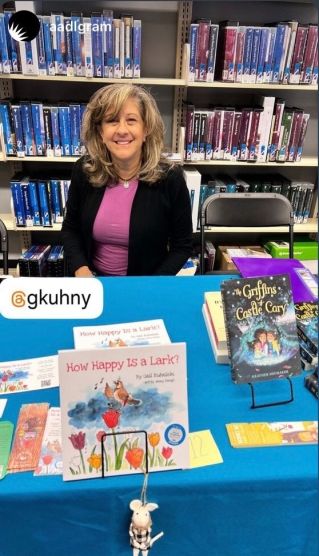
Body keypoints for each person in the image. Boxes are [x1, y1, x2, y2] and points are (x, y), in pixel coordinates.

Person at [61, 84, 193, 277]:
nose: (122, 130)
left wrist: (151, 286)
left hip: (148, 283)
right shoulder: (85, 170)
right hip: (93, 282)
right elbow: (70, 230)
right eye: (112, 121)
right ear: (100, 132)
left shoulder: (170, 178)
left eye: (131, 120)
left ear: (145, 129)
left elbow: (182, 246)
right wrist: (82, 271)